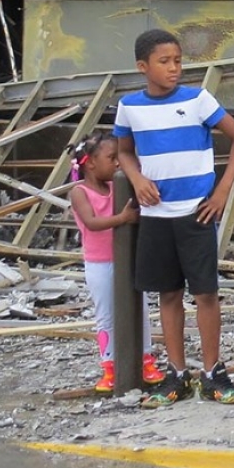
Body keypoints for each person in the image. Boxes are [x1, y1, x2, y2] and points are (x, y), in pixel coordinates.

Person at [114, 28, 234, 408]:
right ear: (143, 67)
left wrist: (222, 191)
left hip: (197, 212)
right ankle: (177, 374)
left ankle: (213, 374)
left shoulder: (198, 100)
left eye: (178, 60)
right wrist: (138, 178)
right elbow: (124, 150)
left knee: (206, 293)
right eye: (164, 62)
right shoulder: (130, 107)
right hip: (156, 215)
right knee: (168, 293)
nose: (174, 68)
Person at [67, 132, 162, 394]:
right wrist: (122, 219)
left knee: (139, 309)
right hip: (99, 263)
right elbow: (91, 223)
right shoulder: (80, 192)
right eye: (112, 158)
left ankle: (145, 360)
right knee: (106, 314)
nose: (118, 164)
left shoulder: (117, 187)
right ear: (91, 163)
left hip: (126, 259)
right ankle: (109, 366)